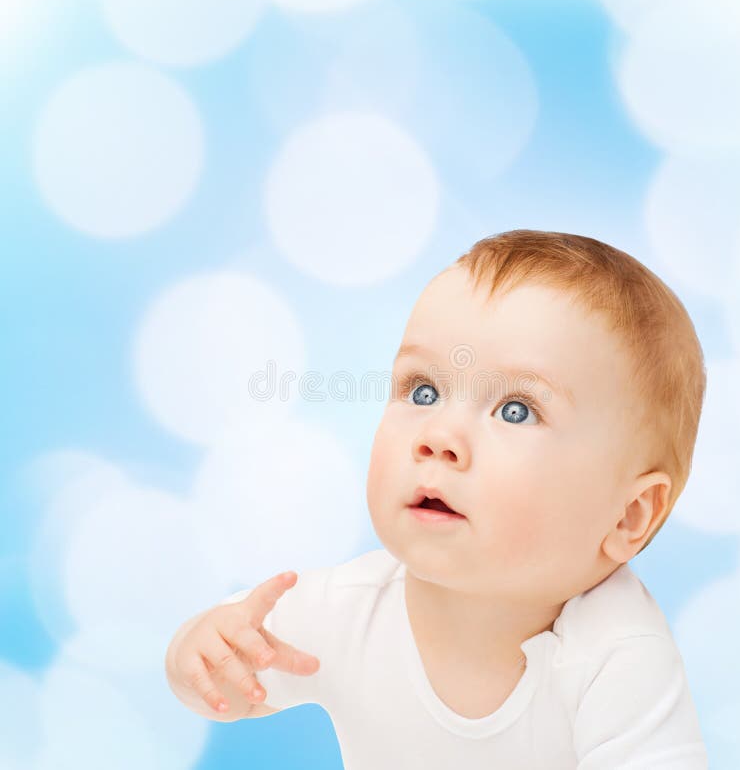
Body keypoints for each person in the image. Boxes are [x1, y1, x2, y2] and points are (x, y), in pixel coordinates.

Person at [165, 229, 709, 768]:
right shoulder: (351, 609)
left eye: (515, 410)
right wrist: (201, 657)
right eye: (423, 391)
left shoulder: (618, 657)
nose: (439, 435)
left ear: (628, 514)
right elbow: (222, 687)